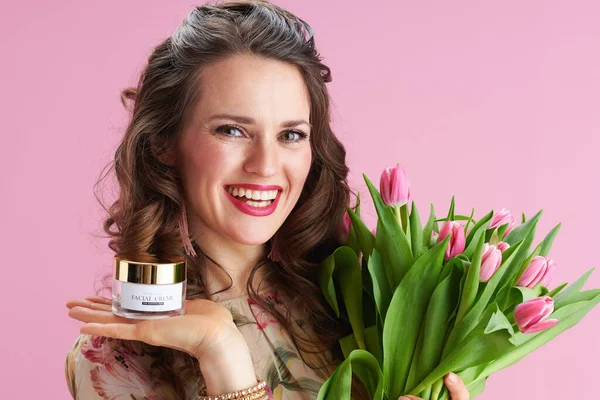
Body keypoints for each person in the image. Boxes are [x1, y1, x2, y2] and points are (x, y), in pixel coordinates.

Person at [64, 1, 471, 399]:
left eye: (290, 135)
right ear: (164, 143)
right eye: (232, 130)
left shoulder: (357, 301)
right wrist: (220, 352)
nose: (265, 166)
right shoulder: (119, 355)